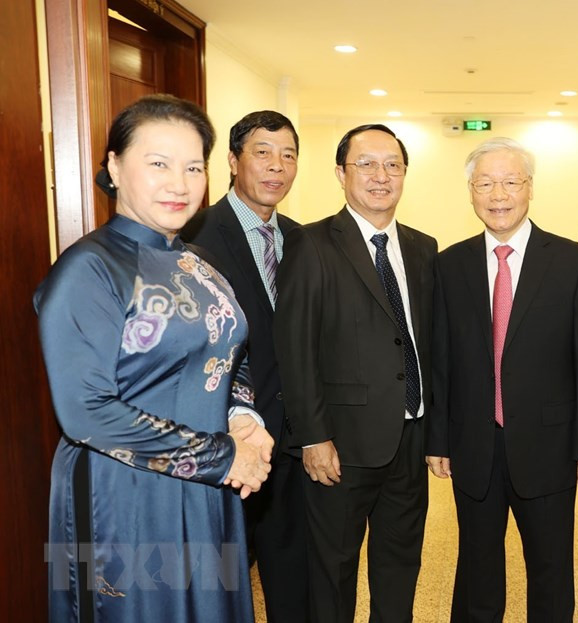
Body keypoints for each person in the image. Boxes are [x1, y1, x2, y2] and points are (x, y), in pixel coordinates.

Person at [36, 94, 273, 622]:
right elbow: (86, 411)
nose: (180, 183)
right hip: (125, 494)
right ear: (115, 167)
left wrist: (243, 417)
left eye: (193, 167)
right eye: (158, 164)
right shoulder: (88, 270)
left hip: (207, 485)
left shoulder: (195, 261)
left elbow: (227, 353)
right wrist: (221, 456)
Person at [426, 137, 578, 622]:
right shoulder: (449, 264)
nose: (498, 194)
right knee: (476, 568)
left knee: (551, 568)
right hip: (474, 445)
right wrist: (438, 438)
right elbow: (441, 359)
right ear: (470, 191)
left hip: (549, 446)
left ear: (530, 188)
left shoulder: (574, 262)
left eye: (510, 181)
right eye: (485, 183)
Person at [274, 124, 437, 622]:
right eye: (366, 164)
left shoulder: (422, 247)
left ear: (405, 173)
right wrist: (313, 436)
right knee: (334, 570)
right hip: (339, 445)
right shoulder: (312, 244)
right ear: (341, 173)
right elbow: (294, 347)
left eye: (392, 164)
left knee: (400, 565)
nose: (380, 175)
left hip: (409, 438)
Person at [181, 110, 308, 621]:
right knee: (221, 584)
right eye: (262, 152)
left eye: (288, 155)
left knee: (293, 580)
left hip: (294, 445)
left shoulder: (303, 240)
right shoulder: (193, 234)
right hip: (224, 441)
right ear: (232, 161)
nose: (276, 166)